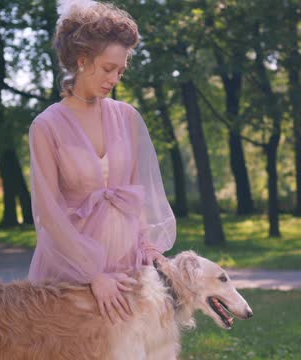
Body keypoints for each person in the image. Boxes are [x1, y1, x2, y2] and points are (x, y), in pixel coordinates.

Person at [27, 0, 176, 325]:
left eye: (121, 71)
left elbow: (137, 197)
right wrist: (92, 274)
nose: (115, 79)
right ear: (82, 61)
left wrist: (148, 248)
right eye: (109, 68)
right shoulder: (46, 126)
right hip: (71, 269)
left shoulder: (127, 117)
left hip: (127, 266)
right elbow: (49, 215)